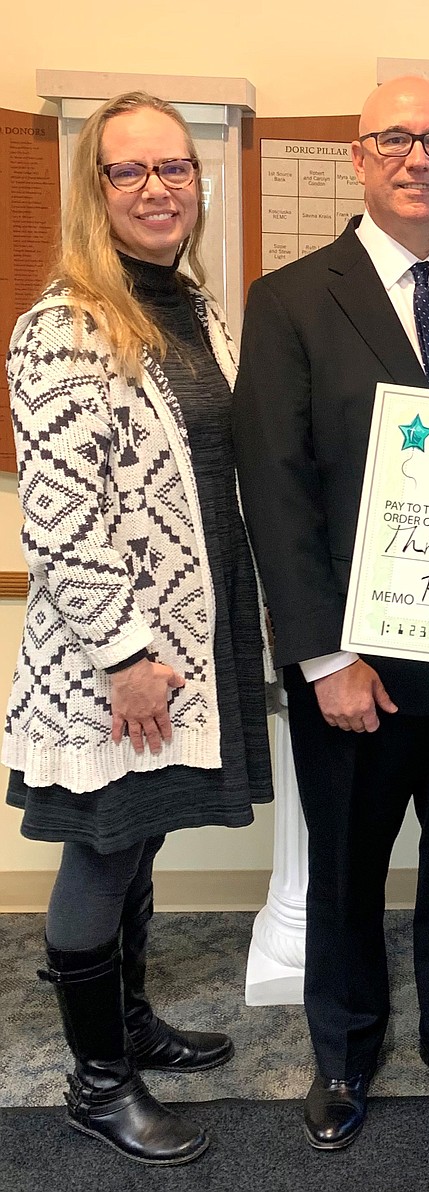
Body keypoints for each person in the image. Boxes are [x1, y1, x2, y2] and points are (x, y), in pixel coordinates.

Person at [232, 76, 429, 1151]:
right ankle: (345, 1049)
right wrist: (322, 656)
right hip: (354, 664)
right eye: (394, 140)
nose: (418, 158)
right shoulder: (288, 301)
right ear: (358, 160)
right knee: (346, 870)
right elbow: (275, 488)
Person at [4, 91, 274, 1166]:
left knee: (143, 837)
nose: (158, 188)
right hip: (113, 661)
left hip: (188, 644)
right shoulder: (62, 327)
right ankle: (97, 1083)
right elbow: (62, 518)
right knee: (101, 851)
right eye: (131, 172)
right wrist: (125, 656)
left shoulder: (194, 309)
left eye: (175, 168)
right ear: (97, 190)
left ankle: (131, 1022)